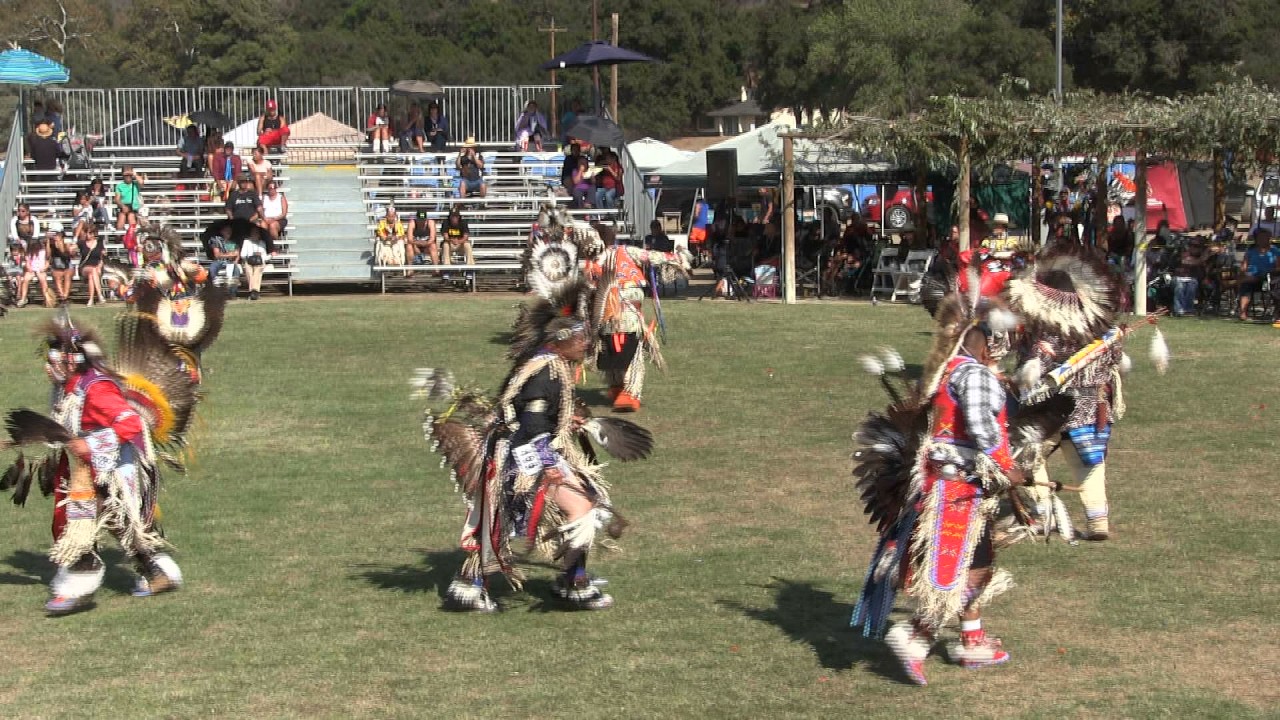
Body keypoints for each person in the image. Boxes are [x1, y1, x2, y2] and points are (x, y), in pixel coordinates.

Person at [421, 285, 650, 612]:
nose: (587, 345)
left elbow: (530, 414)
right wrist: (549, 466)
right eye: (582, 339)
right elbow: (531, 426)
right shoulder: (545, 372)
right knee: (578, 510)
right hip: (522, 454)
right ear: (562, 342)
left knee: (521, 516)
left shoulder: (546, 362)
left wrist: (568, 421)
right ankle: (569, 583)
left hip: (521, 448)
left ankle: (481, 585)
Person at [852, 292, 1023, 685]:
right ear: (991, 343)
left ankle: (972, 641)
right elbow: (982, 428)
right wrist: (1006, 466)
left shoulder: (950, 371)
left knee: (974, 562)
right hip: (958, 490)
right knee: (970, 570)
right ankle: (916, 636)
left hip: (942, 485)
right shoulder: (977, 375)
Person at [9, 315, 184, 615]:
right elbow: (66, 426)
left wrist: (89, 445)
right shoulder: (72, 386)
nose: (47, 368)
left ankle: (77, 588)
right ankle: (159, 573)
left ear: (70, 361)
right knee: (122, 524)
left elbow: (131, 422)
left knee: (76, 524)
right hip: (87, 467)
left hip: (109, 468)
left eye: (53, 361)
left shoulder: (95, 390)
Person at [1239, 228, 1280, 321]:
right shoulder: (1251, 251)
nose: (1262, 240)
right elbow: (1244, 266)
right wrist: (1242, 272)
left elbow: (1278, 267)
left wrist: (1270, 271)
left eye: (1264, 238)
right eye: (1259, 238)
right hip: (1251, 277)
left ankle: (1232, 283)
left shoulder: (1275, 251)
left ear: (1269, 238)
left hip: (1268, 278)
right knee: (1246, 285)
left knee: (1276, 285)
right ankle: (1243, 313)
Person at [1172, 235, 1208, 317]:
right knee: (1179, 286)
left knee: (1192, 284)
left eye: (1198, 246)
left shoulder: (1200, 257)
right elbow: (1190, 262)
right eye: (1192, 245)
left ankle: (1188, 310)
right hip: (1178, 278)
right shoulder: (1184, 254)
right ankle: (1179, 310)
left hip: (1192, 279)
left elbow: (1205, 270)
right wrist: (1205, 256)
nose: (1194, 248)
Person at [207, 222, 242, 297]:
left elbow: (237, 254)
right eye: (226, 230)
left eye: (230, 230)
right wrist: (231, 254)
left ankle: (232, 292)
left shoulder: (234, 242)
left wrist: (235, 261)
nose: (229, 232)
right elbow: (217, 255)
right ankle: (216, 290)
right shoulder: (216, 240)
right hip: (219, 261)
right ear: (222, 231)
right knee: (212, 268)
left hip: (231, 262)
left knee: (236, 271)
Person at [76, 222, 105, 307]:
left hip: (97, 267)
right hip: (85, 267)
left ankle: (91, 299)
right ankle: (100, 295)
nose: (89, 235)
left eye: (91, 233)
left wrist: (99, 266)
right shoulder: (81, 243)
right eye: (87, 233)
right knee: (92, 271)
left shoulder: (99, 243)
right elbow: (73, 249)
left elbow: (101, 259)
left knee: (92, 275)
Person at [239, 229, 269, 301]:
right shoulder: (246, 242)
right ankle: (255, 292)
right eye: (253, 234)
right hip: (249, 261)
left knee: (257, 271)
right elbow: (243, 255)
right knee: (248, 270)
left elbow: (265, 256)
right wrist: (251, 255)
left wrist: (260, 256)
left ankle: (252, 291)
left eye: (256, 234)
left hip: (259, 262)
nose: (255, 235)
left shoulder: (262, 243)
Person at [48, 224, 75, 305]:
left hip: (66, 263)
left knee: (67, 276)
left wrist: (59, 243)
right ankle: (62, 297)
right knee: (57, 277)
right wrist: (48, 242)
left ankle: (65, 297)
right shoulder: (50, 243)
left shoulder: (67, 241)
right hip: (56, 264)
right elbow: (48, 255)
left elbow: (65, 254)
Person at [260, 181, 288, 246]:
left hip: (279, 219)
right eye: (270, 188)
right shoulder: (265, 198)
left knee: (272, 225)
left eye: (274, 187)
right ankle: (266, 244)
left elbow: (284, 213)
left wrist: (274, 218)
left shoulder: (281, 197)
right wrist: (265, 218)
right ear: (267, 188)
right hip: (266, 218)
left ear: (276, 188)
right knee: (262, 225)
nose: (272, 189)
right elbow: (261, 210)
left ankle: (275, 245)